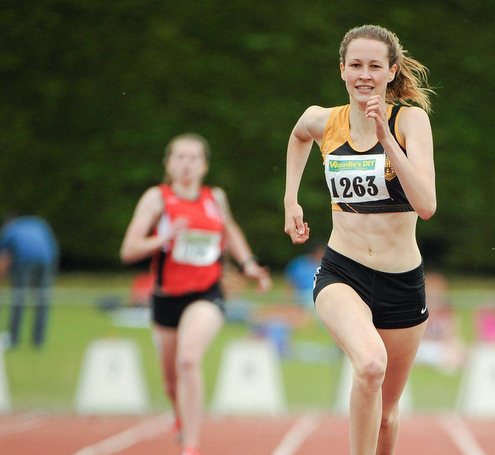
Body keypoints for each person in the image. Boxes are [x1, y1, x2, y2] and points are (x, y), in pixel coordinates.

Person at [283, 24, 435, 455]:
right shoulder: (324, 120)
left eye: (374, 65)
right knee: (369, 365)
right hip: (341, 271)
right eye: (355, 65)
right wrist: (291, 200)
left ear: (391, 72)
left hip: (402, 283)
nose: (364, 74)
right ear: (342, 71)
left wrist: (387, 139)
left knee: (386, 415)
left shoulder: (410, 121)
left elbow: (426, 205)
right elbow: (298, 134)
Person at [120, 133, 271, 455]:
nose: (186, 164)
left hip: (207, 293)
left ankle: (191, 445)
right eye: (180, 157)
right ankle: (180, 415)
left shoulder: (215, 197)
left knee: (189, 359)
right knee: (171, 382)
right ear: (168, 163)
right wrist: (163, 238)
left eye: (193, 158)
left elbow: (230, 232)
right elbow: (128, 249)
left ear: (204, 165)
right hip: (166, 298)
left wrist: (249, 265)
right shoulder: (156, 199)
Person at [0, 213, 59, 349]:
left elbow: (3, 259)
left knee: (18, 298)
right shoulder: (38, 222)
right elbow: (52, 245)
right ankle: (38, 341)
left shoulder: (10, 229)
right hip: (47, 259)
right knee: (42, 299)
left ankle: (13, 339)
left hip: (24, 260)